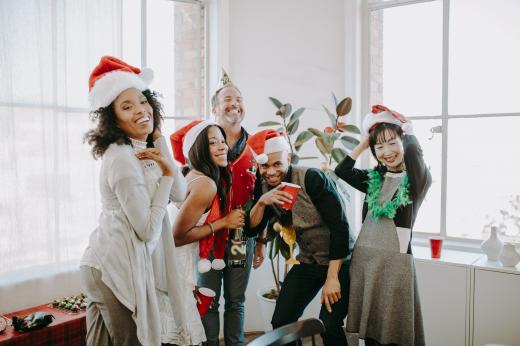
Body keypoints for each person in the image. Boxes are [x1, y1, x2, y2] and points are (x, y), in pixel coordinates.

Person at [80, 56, 187, 346]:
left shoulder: (142, 146)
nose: (141, 110)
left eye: (142, 101)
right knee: (132, 342)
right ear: (112, 120)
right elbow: (146, 229)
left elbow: (180, 194)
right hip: (110, 266)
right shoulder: (122, 159)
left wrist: (162, 145)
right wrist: (165, 175)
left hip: (119, 260)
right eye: (127, 107)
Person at [334, 105, 432, 346]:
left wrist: (407, 131)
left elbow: (415, 157)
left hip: (395, 265)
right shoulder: (372, 179)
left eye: (392, 143)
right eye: (380, 146)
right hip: (365, 264)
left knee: (393, 334)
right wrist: (365, 142)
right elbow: (341, 170)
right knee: (371, 334)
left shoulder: (417, 181)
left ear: (403, 142)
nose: (387, 152)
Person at [247, 129, 355, 346]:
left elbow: (340, 226)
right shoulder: (264, 185)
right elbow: (251, 229)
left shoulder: (312, 178)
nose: (271, 171)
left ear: (288, 158)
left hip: (340, 262)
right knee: (281, 321)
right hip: (308, 261)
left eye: (277, 164)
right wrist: (261, 202)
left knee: (330, 324)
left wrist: (332, 277)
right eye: (264, 166)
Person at [159, 119, 246, 345]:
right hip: (188, 255)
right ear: (199, 149)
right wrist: (223, 222)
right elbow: (177, 237)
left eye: (222, 141)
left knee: (235, 299)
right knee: (201, 308)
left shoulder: (193, 174)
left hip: (236, 240)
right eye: (213, 143)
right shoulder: (205, 182)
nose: (222, 146)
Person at [197, 70, 260, 346]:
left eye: (239, 98)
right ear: (214, 109)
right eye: (227, 99)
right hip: (209, 237)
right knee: (208, 299)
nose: (234, 103)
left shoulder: (256, 149)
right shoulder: (203, 144)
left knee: (236, 301)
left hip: (241, 239)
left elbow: (261, 197)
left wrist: (261, 242)